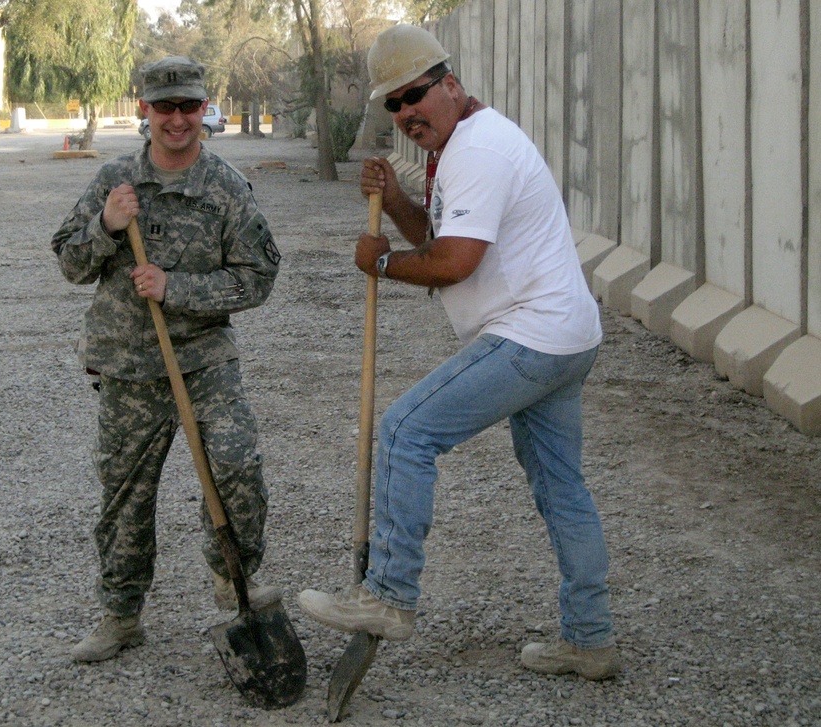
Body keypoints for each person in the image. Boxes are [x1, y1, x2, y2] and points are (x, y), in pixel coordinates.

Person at [299, 25, 620, 680]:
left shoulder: (481, 150)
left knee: (406, 429)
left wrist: (383, 261)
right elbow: (445, 235)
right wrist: (394, 203)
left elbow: (453, 262)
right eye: (393, 105)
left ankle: (388, 594)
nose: (406, 113)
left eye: (414, 95)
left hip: (532, 335)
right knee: (561, 485)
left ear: (450, 83)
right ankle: (590, 638)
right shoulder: (462, 144)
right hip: (564, 333)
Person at [52, 56, 283, 663]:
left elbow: (258, 278)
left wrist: (175, 288)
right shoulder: (114, 181)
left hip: (204, 360)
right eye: (165, 107)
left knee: (236, 467)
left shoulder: (227, 188)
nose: (177, 119)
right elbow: (70, 264)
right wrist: (107, 224)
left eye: (189, 106)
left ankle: (235, 581)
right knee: (126, 496)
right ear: (144, 111)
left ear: (204, 109)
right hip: (128, 366)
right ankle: (121, 614)